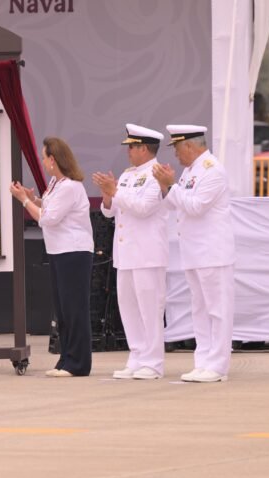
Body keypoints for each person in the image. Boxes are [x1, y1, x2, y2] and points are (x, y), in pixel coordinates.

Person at [153, 124, 235, 383]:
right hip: (194, 251)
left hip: (212, 251)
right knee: (199, 309)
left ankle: (218, 365)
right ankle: (203, 361)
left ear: (189, 145)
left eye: (177, 148)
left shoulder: (213, 170)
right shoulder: (190, 171)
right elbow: (174, 205)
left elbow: (196, 207)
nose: (176, 155)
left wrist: (172, 186)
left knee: (218, 310)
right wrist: (166, 187)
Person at [10, 137, 94, 377]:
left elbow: (48, 219)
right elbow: (48, 207)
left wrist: (24, 201)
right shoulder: (57, 183)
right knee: (63, 309)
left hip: (74, 252)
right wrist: (34, 198)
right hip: (59, 251)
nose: (43, 161)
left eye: (44, 157)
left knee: (74, 309)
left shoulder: (70, 186)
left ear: (53, 159)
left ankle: (78, 363)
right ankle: (67, 359)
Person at [93, 124, 168, 380]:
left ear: (144, 148)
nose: (128, 152)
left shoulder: (157, 174)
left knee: (150, 308)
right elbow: (110, 211)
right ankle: (136, 357)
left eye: (132, 147)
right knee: (128, 307)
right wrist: (107, 196)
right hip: (125, 253)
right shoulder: (127, 175)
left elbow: (144, 208)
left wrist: (116, 192)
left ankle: (154, 362)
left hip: (147, 253)